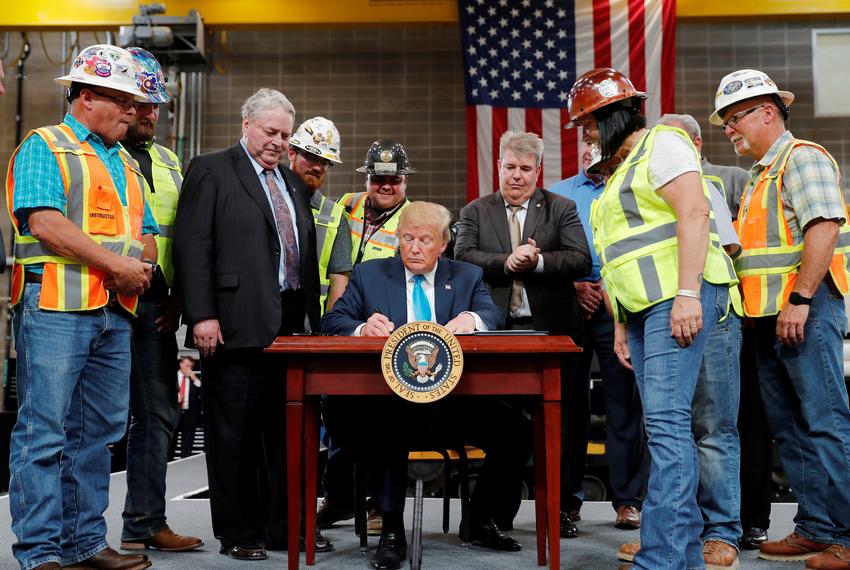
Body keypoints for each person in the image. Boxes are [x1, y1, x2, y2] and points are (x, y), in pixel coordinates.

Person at [566, 67, 740, 569]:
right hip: (641, 310)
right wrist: (621, 324)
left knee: (666, 428)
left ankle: (661, 556)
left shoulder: (663, 143)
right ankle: (680, 552)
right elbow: (622, 259)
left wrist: (688, 294)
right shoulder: (620, 171)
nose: (587, 136)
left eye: (590, 125)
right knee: (663, 426)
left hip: (676, 297)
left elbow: (694, 214)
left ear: (614, 116)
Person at [5, 44, 159, 570]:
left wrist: (141, 264)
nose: (132, 111)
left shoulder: (129, 166)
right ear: (86, 97)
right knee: (44, 432)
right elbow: (45, 223)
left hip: (114, 316)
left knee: (96, 438)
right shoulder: (45, 146)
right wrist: (117, 265)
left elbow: (148, 236)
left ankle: (85, 543)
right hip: (54, 311)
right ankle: (40, 551)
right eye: (121, 100)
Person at [323, 201, 530, 570]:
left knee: (516, 429)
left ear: (444, 243)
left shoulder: (466, 276)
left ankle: (481, 518)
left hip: (456, 403)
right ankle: (391, 530)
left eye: (424, 240)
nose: (414, 248)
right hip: (390, 401)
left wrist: (472, 318)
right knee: (388, 419)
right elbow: (334, 319)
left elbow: (492, 314)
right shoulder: (370, 275)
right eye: (406, 238)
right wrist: (361, 328)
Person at [173, 88, 330, 561]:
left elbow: (302, 259)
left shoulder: (292, 183)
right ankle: (239, 531)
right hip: (233, 324)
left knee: (286, 436)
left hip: (291, 326)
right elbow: (192, 245)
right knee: (233, 437)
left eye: (285, 134)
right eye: (270, 131)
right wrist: (202, 314)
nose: (278, 142)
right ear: (246, 125)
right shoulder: (210, 169)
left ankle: (282, 528)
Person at [711, 68, 850, 570]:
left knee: (827, 422)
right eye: (726, 121)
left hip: (804, 311)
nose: (729, 129)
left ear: (767, 112)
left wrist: (802, 299)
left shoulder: (802, 158)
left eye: (735, 118)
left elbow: (824, 228)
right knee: (790, 427)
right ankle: (817, 527)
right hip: (769, 320)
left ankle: (848, 538)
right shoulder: (760, 174)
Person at [616, 113, 745, 568]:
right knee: (672, 428)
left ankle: (720, 533)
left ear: (694, 142)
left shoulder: (697, 181)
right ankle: (675, 537)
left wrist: (689, 295)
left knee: (711, 426)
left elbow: (724, 246)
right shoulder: (639, 177)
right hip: (664, 304)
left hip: (707, 308)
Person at [118, 46, 203, 554]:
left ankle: (144, 522)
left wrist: (179, 301)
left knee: (157, 415)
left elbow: (184, 238)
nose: (149, 113)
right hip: (98, 303)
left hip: (153, 310)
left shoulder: (170, 161)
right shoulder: (93, 154)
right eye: (140, 102)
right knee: (90, 420)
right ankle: (61, 537)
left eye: (155, 104)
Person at [317, 139, 416, 534]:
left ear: (405, 180)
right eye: (378, 178)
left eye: (393, 179)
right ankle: (340, 499)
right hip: (341, 328)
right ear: (368, 178)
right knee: (338, 418)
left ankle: (378, 505)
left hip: (384, 338)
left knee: (381, 424)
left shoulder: (413, 222)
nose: (385, 186)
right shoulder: (347, 204)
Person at [549, 140, 647, 538]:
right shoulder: (557, 193)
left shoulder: (630, 186)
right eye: (585, 144)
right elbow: (547, 252)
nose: (591, 150)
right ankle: (567, 501)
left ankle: (627, 500)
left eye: (597, 143)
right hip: (568, 303)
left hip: (618, 304)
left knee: (623, 403)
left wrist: (606, 286)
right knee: (568, 404)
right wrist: (573, 285)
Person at [287, 116, 352, 313]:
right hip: (262, 320)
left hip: (312, 325)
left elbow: (339, 282)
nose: (317, 167)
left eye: (325, 161)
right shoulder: (267, 199)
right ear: (291, 153)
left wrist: (329, 329)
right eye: (311, 157)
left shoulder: (335, 215)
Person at [175, 356, 202, 458]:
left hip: (188, 415)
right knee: (172, 440)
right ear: (181, 364)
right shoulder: (173, 377)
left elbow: (201, 389)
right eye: (187, 366)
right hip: (175, 413)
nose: (189, 369)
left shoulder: (193, 380)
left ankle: (184, 460)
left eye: (191, 367)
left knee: (188, 441)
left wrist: (194, 377)